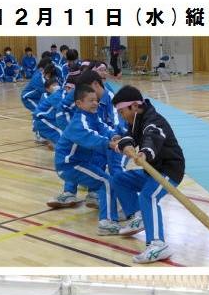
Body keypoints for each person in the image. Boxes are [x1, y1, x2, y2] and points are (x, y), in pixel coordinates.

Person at [112, 85, 186, 263]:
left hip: (169, 171)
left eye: (122, 112)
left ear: (134, 106)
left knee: (148, 196)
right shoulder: (136, 120)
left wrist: (144, 153)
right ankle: (138, 217)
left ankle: (158, 244)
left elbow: (152, 138)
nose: (122, 116)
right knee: (119, 179)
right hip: (151, 171)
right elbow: (129, 136)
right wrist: (124, 144)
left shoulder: (154, 121)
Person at [51, 84, 120, 233]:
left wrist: (114, 135)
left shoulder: (92, 116)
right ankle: (106, 223)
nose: (95, 103)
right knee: (106, 181)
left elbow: (103, 127)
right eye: (91, 100)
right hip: (68, 165)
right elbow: (91, 137)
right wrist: (110, 144)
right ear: (79, 103)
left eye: (96, 100)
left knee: (105, 181)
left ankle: (106, 213)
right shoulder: (79, 122)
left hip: (79, 163)